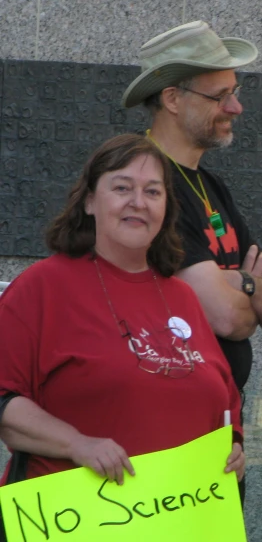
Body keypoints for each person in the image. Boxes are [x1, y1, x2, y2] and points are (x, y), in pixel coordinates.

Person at [0, 135, 245, 535]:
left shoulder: (182, 297)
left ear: (166, 209)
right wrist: (76, 443)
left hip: (177, 525)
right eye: (122, 187)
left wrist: (233, 449)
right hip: (76, 523)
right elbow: (4, 401)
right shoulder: (41, 288)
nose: (138, 202)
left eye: (153, 191)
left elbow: (225, 405)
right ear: (90, 201)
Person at [121, 20, 262, 398]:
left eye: (235, 92)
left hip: (220, 424)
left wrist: (239, 283)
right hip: (167, 413)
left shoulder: (210, 184)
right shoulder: (145, 183)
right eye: (220, 96)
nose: (236, 107)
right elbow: (227, 317)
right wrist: (251, 285)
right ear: (172, 99)